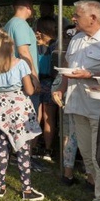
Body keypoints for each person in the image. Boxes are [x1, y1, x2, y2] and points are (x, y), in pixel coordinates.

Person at [53, 0, 100, 193]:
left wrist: (90, 75)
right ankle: (97, 188)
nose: (73, 18)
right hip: (77, 105)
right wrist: (61, 87)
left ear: (93, 18)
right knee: (86, 153)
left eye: (77, 15)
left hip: (99, 108)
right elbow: (69, 69)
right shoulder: (77, 38)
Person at [0, 30, 44, 201]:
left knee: (2, 145)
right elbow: (30, 90)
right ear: (11, 47)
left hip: (1, 107)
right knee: (23, 147)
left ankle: (0, 186)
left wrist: (0, 88)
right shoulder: (20, 64)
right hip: (19, 108)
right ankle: (26, 189)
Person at [35, 16, 58, 161]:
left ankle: (33, 146)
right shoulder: (56, 46)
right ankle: (48, 149)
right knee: (49, 117)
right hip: (51, 83)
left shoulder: (34, 47)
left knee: (36, 116)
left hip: (37, 82)